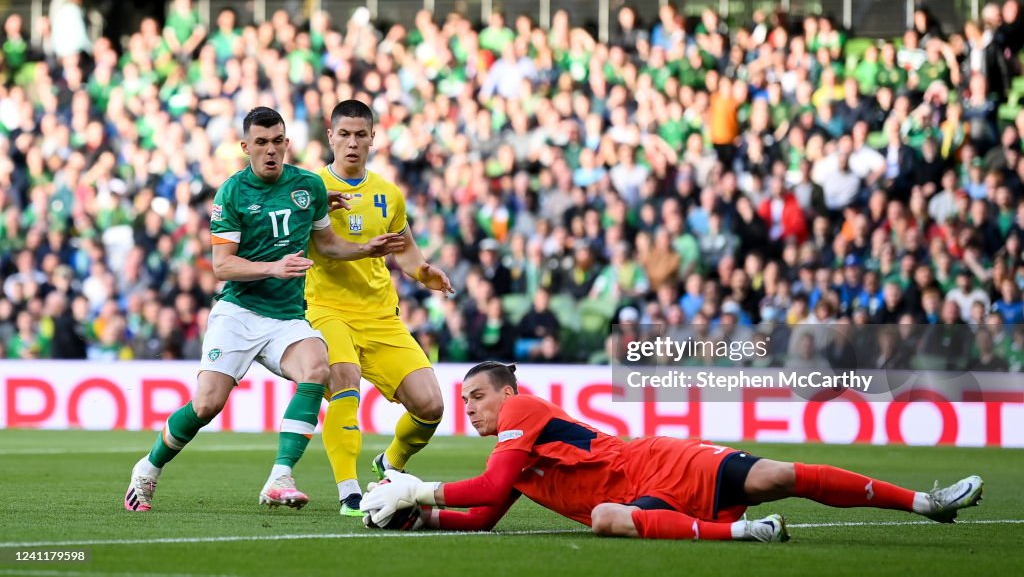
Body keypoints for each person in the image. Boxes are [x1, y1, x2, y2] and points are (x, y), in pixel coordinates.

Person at [124, 107, 405, 512]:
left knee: (317, 366)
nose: (270, 150)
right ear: (245, 147)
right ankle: (148, 469)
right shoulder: (232, 193)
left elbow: (325, 244)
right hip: (239, 313)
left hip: (287, 316)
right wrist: (274, 267)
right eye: (261, 142)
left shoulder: (307, 186)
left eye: (277, 141)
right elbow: (223, 266)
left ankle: (280, 476)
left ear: (287, 143)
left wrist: (364, 249)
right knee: (206, 405)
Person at [362, 362, 984, 542]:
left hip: (657, 462)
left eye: (477, 396)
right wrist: (423, 519)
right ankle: (747, 535)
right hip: (637, 498)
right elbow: (488, 514)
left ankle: (927, 503)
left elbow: (491, 491)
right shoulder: (513, 456)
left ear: (507, 393)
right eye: (463, 399)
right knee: (609, 518)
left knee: (780, 474)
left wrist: (418, 489)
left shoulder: (522, 413)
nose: (468, 406)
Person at [305, 100, 455, 517]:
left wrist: (425, 273)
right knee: (344, 379)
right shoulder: (311, 188)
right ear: (330, 136)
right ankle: (350, 491)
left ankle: (390, 464)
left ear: (373, 138)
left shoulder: (388, 194)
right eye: (345, 134)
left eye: (361, 134)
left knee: (430, 406)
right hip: (327, 309)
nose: (352, 143)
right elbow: (317, 245)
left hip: (380, 315)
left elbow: (404, 251)